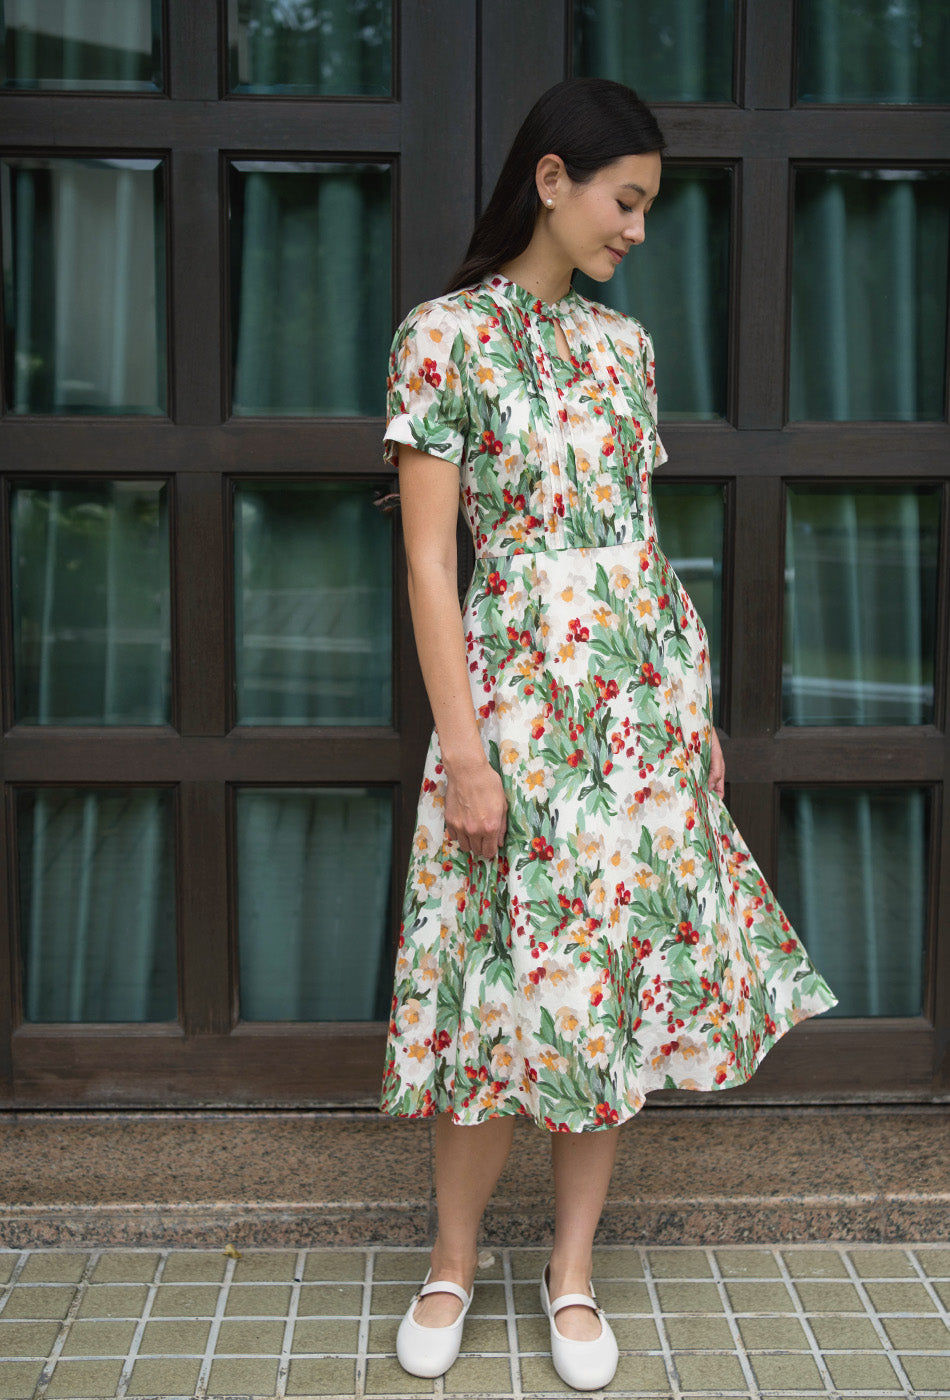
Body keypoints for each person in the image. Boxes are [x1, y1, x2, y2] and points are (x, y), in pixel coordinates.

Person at [379, 76, 837, 1391]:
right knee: (488, 998)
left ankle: (569, 1272)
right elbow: (430, 568)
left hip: (635, 718)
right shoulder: (442, 338)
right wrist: (467, 755)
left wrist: (690, 711)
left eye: (645, 208)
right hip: (511, 718)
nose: (636, 229)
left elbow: (638, 549)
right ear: (550, 181)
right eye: (623, 201)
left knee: (604, 999)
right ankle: (452, 1262)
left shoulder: (623, 350)